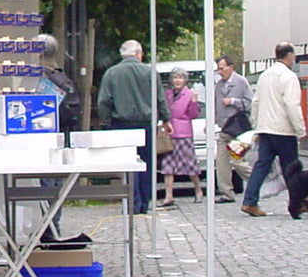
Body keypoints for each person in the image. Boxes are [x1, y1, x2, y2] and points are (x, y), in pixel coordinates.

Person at [97, 39, 170, 215]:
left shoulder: (112, 73)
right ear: (138, 54)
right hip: (146, 124)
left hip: (121, 125)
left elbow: (104, 101)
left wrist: (106, 121)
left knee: (128, 164)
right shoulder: (150, 72)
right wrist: (166, 119)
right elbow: (160, 98)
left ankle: (131, 202)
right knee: (147, 164)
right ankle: (145, 202)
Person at [241, 42, 306, 217]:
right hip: (283, 129)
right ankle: (297, 203)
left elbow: (256, 102)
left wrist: (256, 125)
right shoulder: (289, 76)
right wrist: (300, 129)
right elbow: (292, 104)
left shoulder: (265, 75)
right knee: (291, 168)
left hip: (265, 128)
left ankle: (249, 200)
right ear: (290, 55)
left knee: (261, 165)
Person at [37, 33, 84, 240]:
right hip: (61, 137)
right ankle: (54, 226)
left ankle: (47, 230)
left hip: (42, 138)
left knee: (45, 183)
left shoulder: (37, 77)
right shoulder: (60, 74)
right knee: (56, 184)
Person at [158, 66, 202, 207]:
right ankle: (168, 196)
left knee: (190, 164)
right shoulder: (168, 94)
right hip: (169, 134)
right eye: (175, 77)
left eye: (181, 78)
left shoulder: (189, 94)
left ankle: (198, 190)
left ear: (185, 80)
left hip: (183, 133)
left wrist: (194, 102)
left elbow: (193, 115)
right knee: (168, 165)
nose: (177, 80)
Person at [214, 55, 254, 204]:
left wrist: (233, 101)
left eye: (222, 68)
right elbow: (215, 104)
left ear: (231, 67)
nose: (220, 72)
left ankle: (257, 180)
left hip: (239, 131)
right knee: (221, 162)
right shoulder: (218, 85)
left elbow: (250, 104)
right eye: (218, 69)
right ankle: (227, 193)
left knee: (237, 161)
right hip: (224, 129)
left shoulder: (241, 82)